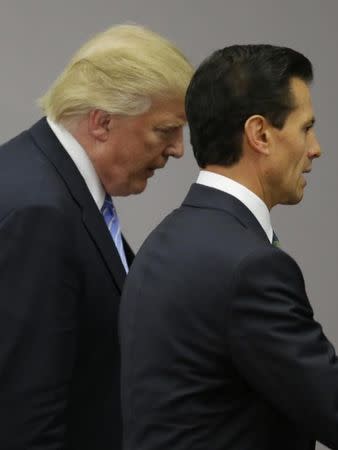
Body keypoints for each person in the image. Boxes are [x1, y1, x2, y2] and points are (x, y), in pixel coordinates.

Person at [119, 44, 338, 450]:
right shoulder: (250, 267)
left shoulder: (165, 241)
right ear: (259, 134)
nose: (315, 149)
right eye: (306, 128)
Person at [0, 24, 192, 450]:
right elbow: (23, 418)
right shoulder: (40, 214)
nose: (179, 149)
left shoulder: (49, 184)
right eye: (165, 130)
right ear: (103, 122)